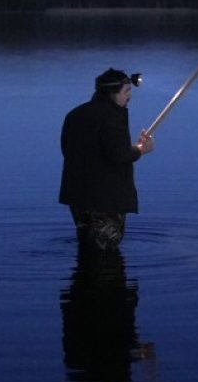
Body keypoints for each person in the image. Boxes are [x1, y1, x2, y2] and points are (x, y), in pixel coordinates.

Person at [59, 68, 155, 252]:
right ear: (113, 93)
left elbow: (67, 149)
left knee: (87, 247)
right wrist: (141, 149)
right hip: (105, 200)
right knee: (104, 251)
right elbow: (119, 155)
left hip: (77, 196)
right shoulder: (112, 117)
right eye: (126, 91)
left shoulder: (75, 114)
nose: (130, 97)